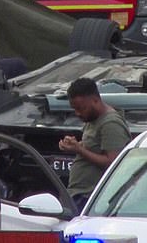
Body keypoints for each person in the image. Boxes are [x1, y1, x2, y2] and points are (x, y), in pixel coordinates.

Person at [58, 77, 131, 213]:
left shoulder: (110, 124)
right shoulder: (92, 118)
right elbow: (94, 146)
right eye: (74, 109)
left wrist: (79, 149)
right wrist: (73, 145)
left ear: (95, 100)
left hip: (91, 198)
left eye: (81, 108)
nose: (78, 113)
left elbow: (113, 163)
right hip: (78, 194)